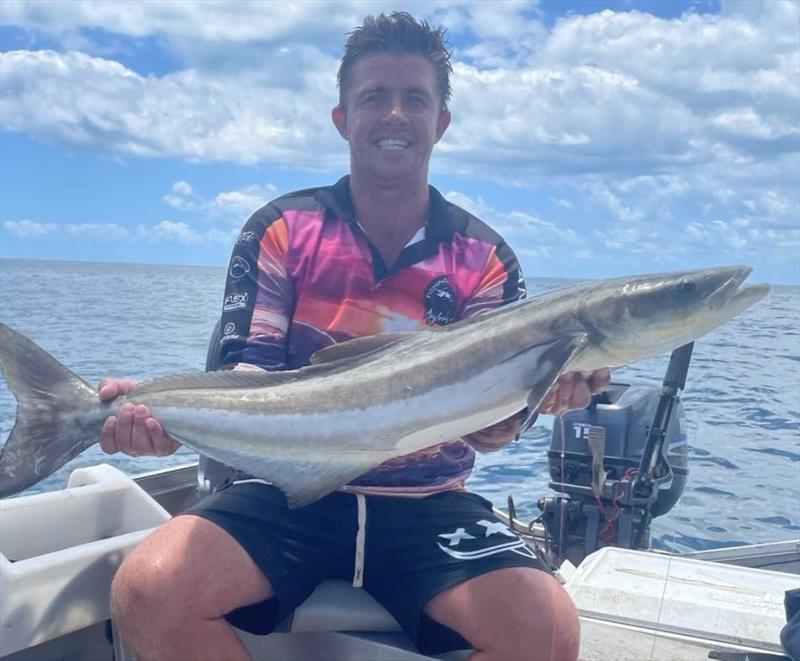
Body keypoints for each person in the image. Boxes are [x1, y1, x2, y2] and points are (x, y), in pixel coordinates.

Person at [102, 13, 610, 661]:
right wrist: (172, 414)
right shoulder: (283, 228)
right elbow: (249, 374)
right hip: (284, 491)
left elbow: (489, 429)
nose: (395, 113)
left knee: (546, 630)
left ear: (441, 123)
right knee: (148, 590)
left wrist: (540, 393)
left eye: (415, 98)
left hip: (429, 500)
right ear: (342, 117)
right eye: (374, 96)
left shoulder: (484, 257)